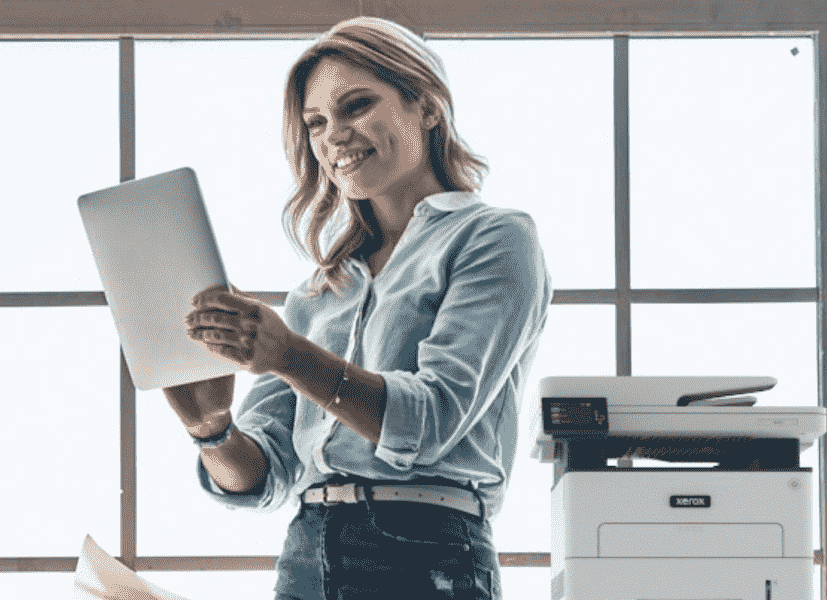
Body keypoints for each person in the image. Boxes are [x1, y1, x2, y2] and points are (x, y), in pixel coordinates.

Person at [159, 16, 551, 600]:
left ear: (427, 106)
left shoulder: (493, 239)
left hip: (428, 553)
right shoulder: (319, 292)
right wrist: (210, 430)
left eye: (356, 106)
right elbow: (262, 478)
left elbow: (431, 421)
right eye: (316, 123)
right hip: (307, 556)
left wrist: (288, 355)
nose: (332, 136)